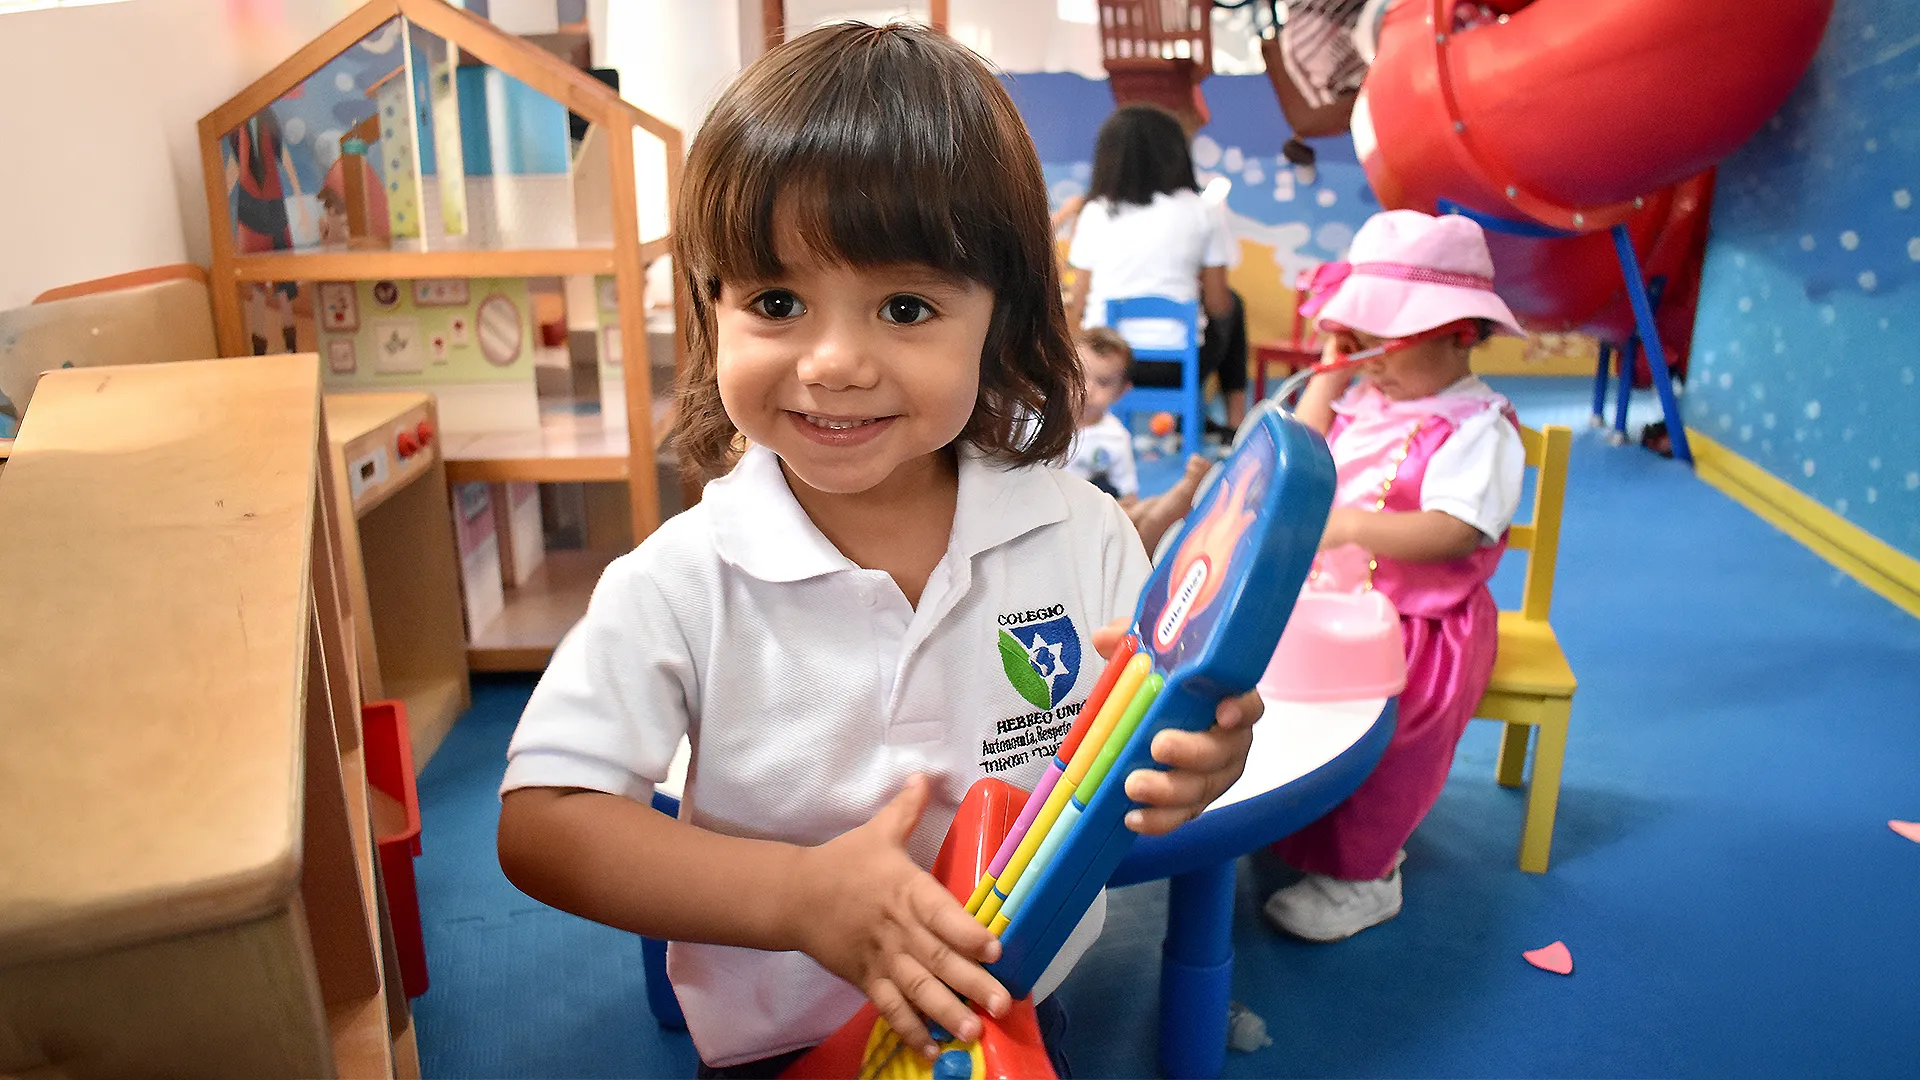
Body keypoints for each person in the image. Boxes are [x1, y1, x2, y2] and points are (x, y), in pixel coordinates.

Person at [494, 24, 1264, 1078]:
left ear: (998, 324)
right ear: (711, 311)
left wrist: (1204, 761)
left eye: (905, 307)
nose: (835, 361)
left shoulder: (1078, 532)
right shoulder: (682, 578)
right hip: (786, 1041)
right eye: (776, 303)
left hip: (1012, 1006)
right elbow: (545, 821)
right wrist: (798, 899)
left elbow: (1145, 732)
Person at [1262, 209, 1527, 942]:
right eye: (1360, 340)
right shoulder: (1365, 397)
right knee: (1291, 718)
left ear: (1461, 334)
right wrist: (1333, 355)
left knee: (1388, 748)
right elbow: (1302, 445)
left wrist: (1349, 525)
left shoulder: (1479, 428)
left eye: (1386, 342)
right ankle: (1304, 830)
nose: (1369, 360)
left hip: (1421, 629)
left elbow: (1455, 531)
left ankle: (1366, 877)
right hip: (1332, 610)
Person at [1063, 103, 1250, 432]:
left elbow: (1078, 302)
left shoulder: (1095, 212)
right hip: (1176, 365)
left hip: (1109, 363)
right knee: (1233, 304)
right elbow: (1218, 304)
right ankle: (1236, 421)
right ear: (1177, 153)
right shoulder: (1203, 211)